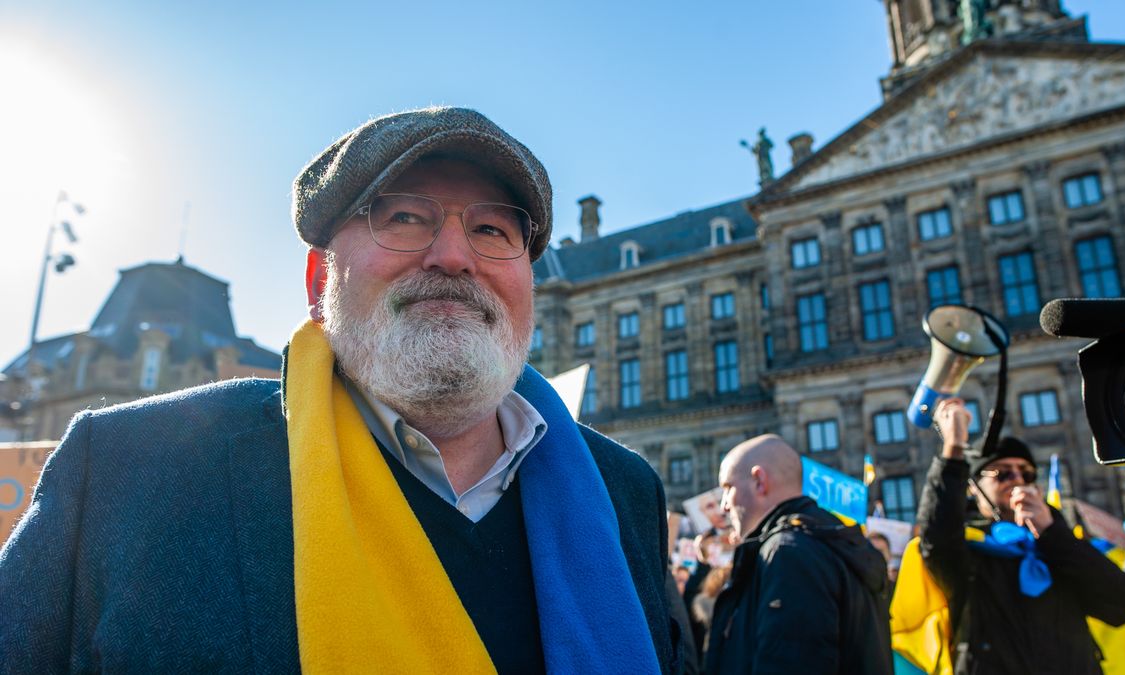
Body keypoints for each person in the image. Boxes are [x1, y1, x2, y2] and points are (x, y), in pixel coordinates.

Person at [0, 107, 679, 673]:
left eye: (492, 229)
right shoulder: (126, 468)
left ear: (529, 285)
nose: (452, 254)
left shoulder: (628, 493)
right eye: (405, 217)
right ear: (318, 281)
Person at [917, 398, 1125, 674]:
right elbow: (937, 539)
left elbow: (1122, 605)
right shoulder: (971, 549)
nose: (1016, 479)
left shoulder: (1060, 543)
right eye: (1001, 473)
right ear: (974, 489)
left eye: (1025, 473)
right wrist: (952, 451)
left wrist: (1051, 532)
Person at [704, 434, 892, 674]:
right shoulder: (829, 541)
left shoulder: (788, 553)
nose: (724, 507)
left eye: (728, 488)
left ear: (759, 481)